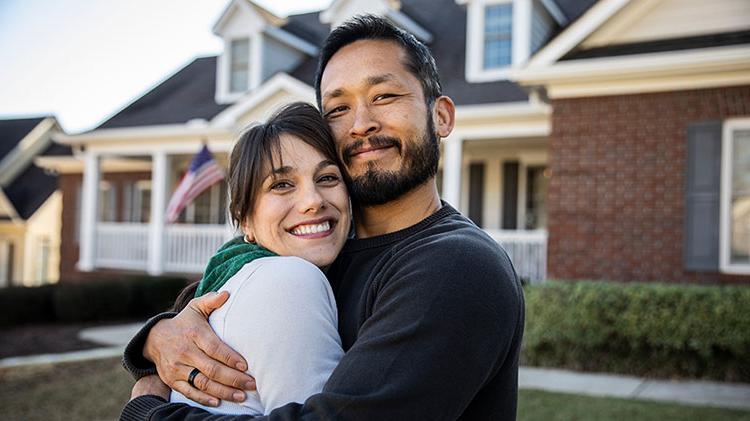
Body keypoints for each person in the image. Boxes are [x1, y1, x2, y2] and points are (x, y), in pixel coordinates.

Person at [121, 15, 524, 421]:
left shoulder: (455, 267)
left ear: (441, 116)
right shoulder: (318, 248)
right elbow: (207, 307)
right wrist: (155, 339)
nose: (361, 123)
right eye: (338, 108)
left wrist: (147, 409)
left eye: (384, 96)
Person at [154, 102, 349, 416]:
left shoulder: (246, 276)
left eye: (327, 178)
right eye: (282, 184)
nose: (313, 201)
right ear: (245, 219)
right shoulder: (289, 279)